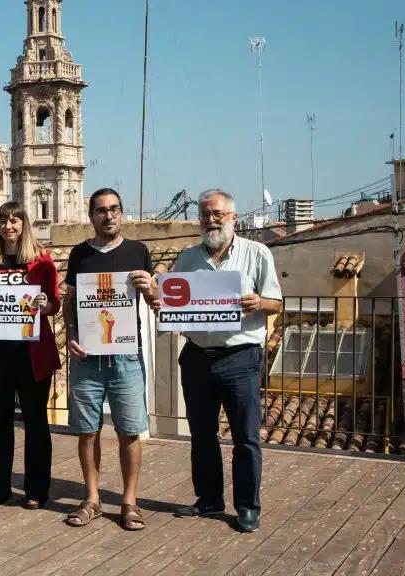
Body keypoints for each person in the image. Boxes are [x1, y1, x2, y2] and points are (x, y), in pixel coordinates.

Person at [167, 188, 281, 533]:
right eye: (205, 215)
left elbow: (277, 302)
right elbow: (172, 300)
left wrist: (258, 302)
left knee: (246, 437)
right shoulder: (186, 258)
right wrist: (156, 298)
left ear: (233, 217)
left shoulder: (257, 253)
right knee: (202, 434)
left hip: (240, 356)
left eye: (217, 214)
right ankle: (209, 499)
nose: (211, 220)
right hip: (197, 356)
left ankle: (247, 506)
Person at [61, 188, 155, 530]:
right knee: (88, 431)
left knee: (130, 432)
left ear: (122, 212)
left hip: (126, 358)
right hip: (87, 359)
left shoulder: (139, 251)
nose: (108, 215)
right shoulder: (78, 254)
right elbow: (70, 299)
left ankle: (129, 502)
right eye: (101, 210)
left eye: (114, 209)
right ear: (91, 216)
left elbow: (158, 302)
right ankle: (92, 499)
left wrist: (151, 288)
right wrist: (70, 334)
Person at [0, 201, 60, 509]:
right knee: (0, 422)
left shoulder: (43, 261)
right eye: (3, 221)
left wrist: (45, 303)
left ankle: (37, 490)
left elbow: (54, 305)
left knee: (36, 423)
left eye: (14, 221)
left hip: (32, 355)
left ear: (24, 225)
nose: (8, 226)